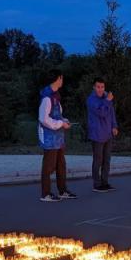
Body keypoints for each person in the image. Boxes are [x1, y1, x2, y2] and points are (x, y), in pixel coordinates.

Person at [37, 69, 75, 201]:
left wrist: (64, 121)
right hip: (50, 137)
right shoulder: (47, 97)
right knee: (48, 166)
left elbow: (57, 115)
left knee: (60, 164)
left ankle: (62, 190)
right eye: (62, 78)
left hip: (58, 137)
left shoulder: (55, 96)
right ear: (58, 78)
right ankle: (45, 193)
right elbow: (43, 119)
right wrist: (60, 123)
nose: (62, 81)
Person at [86, 78, 118, 192]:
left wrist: (114, 126)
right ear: (94, 87)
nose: (100, 89)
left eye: (102, 87)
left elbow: (111, 112)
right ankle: (97, 184)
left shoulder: (106, 97)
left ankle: (105, 182)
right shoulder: (91, 100)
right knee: (98, 160)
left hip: (108, 133)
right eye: (98, 87)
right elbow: (102, 113)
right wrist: (108, 101)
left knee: (107, 160)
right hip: (97, 134)